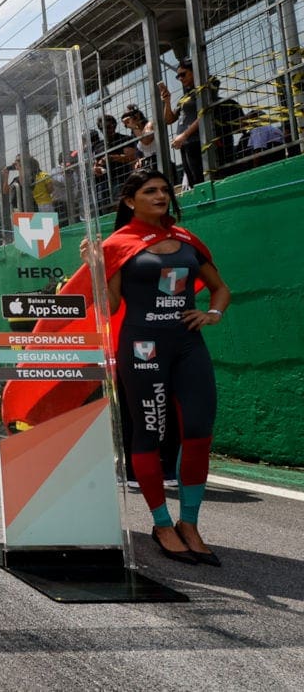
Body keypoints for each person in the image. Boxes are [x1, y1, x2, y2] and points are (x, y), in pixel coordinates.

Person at [95, 169, 230, 565]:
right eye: (150, 191)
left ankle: (190, 523)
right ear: (129, 201)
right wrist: (95, 262)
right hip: (142, 347)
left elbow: (221, 288)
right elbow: (111, 306)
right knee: (149, 432)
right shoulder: (118, 244)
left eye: (165, 190)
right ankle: (161, 523)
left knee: (200, 431)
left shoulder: (188, 241)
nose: (161, 196)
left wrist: (213, 314)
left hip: (188, 345)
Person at [160, 59, 203, 187]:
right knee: (192, 180)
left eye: (183, 74)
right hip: (186, 144)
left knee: (200, 178)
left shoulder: (203, 89)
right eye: (178, 76)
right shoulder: (185, 96)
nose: (180, 78)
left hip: (197, 141)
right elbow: (169, 119)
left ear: (194, 71)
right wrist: (167, 101)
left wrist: (184, 135)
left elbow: (205, 114)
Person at [121, 105, 158, 171]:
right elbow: (139, 152)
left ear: (137, 115)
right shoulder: (135, 133)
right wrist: (139, 160)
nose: (128, 120)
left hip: (160, 162)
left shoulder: (149, 125)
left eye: (129, 115)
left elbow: (146, 141)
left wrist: (134, 126)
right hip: (149, 166)